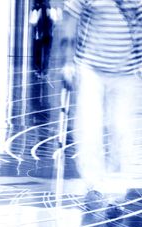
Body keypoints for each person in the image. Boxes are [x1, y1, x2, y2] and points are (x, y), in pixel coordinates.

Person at [60, 0, 142, 214]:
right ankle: (94, 184)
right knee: (89, 126)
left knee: (122, 129)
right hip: (90, 68)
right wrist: (68, 62)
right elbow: (70, 19)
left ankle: (116, 185)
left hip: (127, 70)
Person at [30, 0, 58, 78]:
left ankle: (39, 71)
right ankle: (44, 71)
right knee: (46, 54)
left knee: (39, 54)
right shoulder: (51, 10)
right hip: (47, 34)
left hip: (40, 35)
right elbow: (54, 22)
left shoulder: (36, 10)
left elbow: (33, 23)